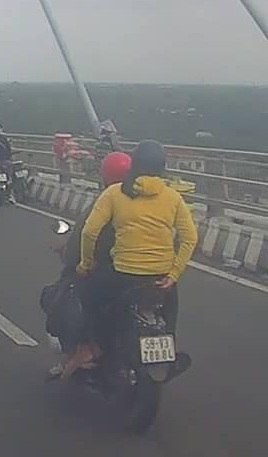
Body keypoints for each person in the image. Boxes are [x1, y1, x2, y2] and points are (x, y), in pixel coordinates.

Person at [74, 141, 197, 371]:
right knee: (169, 308)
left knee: (86, 293)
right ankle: (169, 346)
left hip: (124, 275)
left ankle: (88, 347)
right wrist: (173, 274)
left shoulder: (115, 193)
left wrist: (86, 264)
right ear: (162, 168)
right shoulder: (173, 197)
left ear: (134, 164)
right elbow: (190, 238)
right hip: (160, 276)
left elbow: (89, 232)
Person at [49, 152, 131, 377]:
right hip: (155, 273)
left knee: (65, 297)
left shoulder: (104, 201)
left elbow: (85, 235)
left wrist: (80, 263)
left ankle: (81, 348)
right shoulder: (151, 200)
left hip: (112, 272)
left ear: (104, 177)